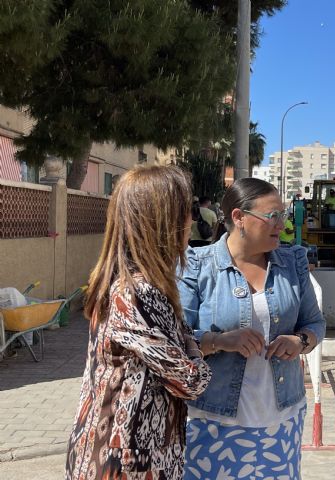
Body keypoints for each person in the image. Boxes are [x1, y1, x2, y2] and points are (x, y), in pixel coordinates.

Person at [65, 165, 212, 479]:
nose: (191, 220)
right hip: (127, 460)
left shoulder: (125, 283)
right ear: (164, 220)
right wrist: (195, 350)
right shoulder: (137, 293)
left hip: (122, 452)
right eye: (187, 210)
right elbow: (191, 380)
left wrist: (189, 343)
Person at [178, 177, 326, 480]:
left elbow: (315, 323)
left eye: (282, 216)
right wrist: (218, 341)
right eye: (273, 216)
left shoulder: (292, 262)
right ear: (238, 218)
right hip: (211, 419)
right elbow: (175, 339)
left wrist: (300, 341)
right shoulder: (197, 265)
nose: (281, 225)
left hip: (280, 419)